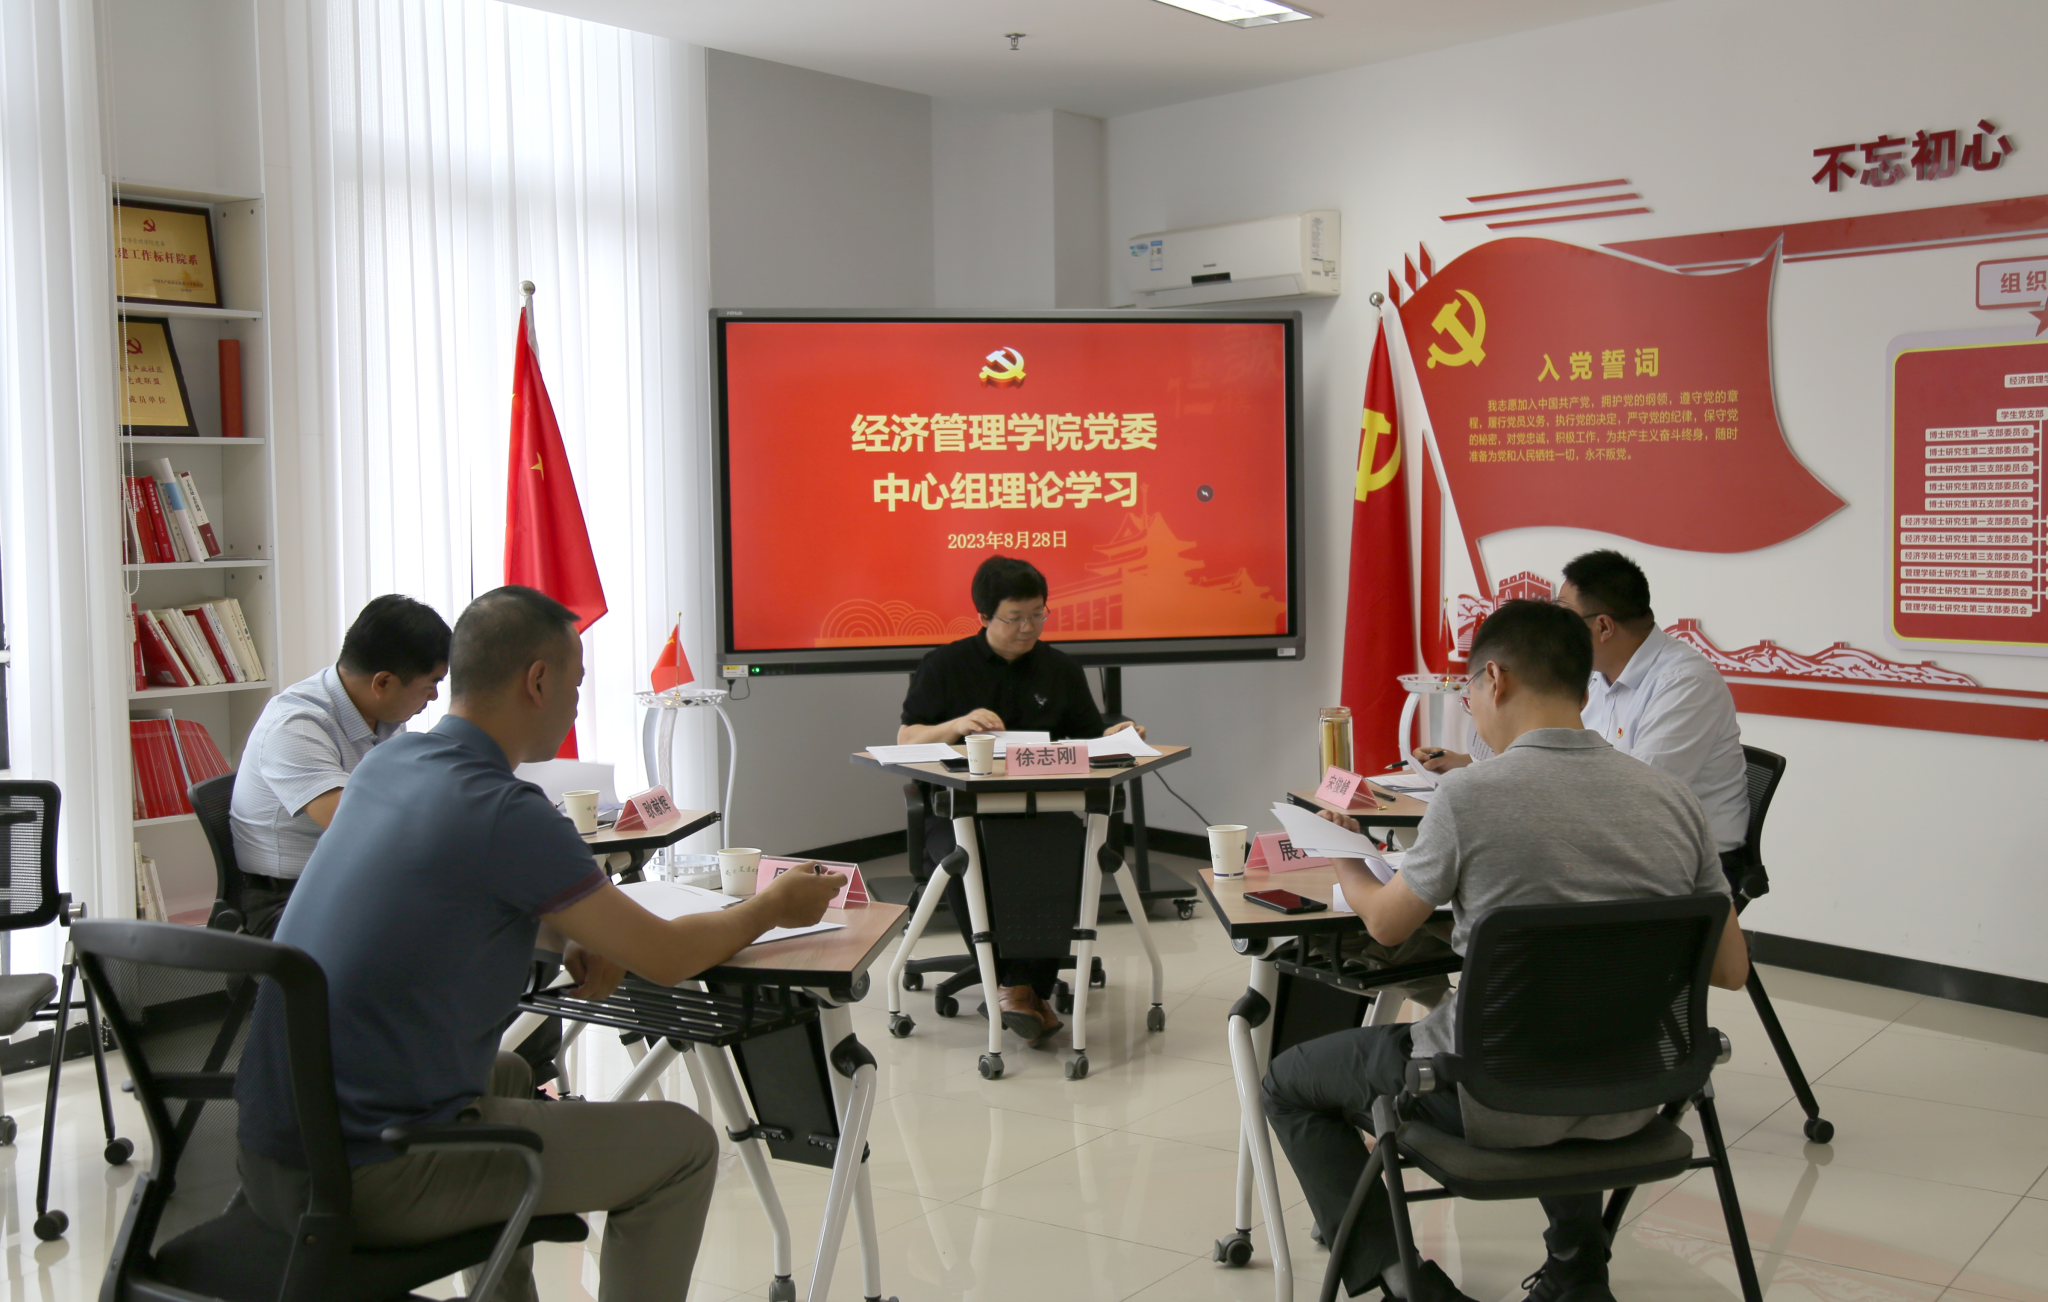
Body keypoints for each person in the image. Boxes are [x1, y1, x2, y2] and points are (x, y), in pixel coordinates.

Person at [234, 585, 845, 1302]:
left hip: (273, 1156)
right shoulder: (505, 809)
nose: (577, 706)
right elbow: (669, 958)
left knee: (508, 1075)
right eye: (576, 685)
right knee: (682, 1147)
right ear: (538, 680)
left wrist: (569, 926)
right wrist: (773, 906)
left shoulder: (386, 767)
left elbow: (453, 885)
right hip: (370, 1177)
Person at [1263, 600, 1750, 1302]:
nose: (1471, 708)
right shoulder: (1674, 800)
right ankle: (1578, 1275)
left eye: (1466, 692)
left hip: (1488, 1093)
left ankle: (1405, 1282)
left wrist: (1344, 856)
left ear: (1494, 679)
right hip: (1634, 1090)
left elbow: (1388, 927)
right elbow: (1731, 969)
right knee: (1568, 1024)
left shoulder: (1468, 796)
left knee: (1287, 1083)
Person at [897, 554, 1145, 1047]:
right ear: (984, 616)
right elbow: (907, 738)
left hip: (1041, 807)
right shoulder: (944, 665)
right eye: (1015, 618)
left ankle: (1018, 990)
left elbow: (1085, 739)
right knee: (968, 859)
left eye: (1038, 614)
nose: (1028, 628)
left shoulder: (1060, 669)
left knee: (1067, 853)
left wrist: (1115, 737)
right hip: (960, 812)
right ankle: (1019, 990)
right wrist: (956, 725)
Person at [1412, 551, 1749, 860]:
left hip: (1679, 864)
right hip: (1610, 843)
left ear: (1603, 626)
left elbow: (1637, 800)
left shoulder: (1684, 684)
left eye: (1566, 616)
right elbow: (1558, 755)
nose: (1556, 628)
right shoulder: (1594, 676)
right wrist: (1470, 764)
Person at [229, 594, 451, 937]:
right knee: (441, 928)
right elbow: (360, 828)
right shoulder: (296, 725)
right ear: (383, 683)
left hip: (348, 883)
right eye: (431, 684)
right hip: (284, 902)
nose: (434, 696)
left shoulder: (383, 714)